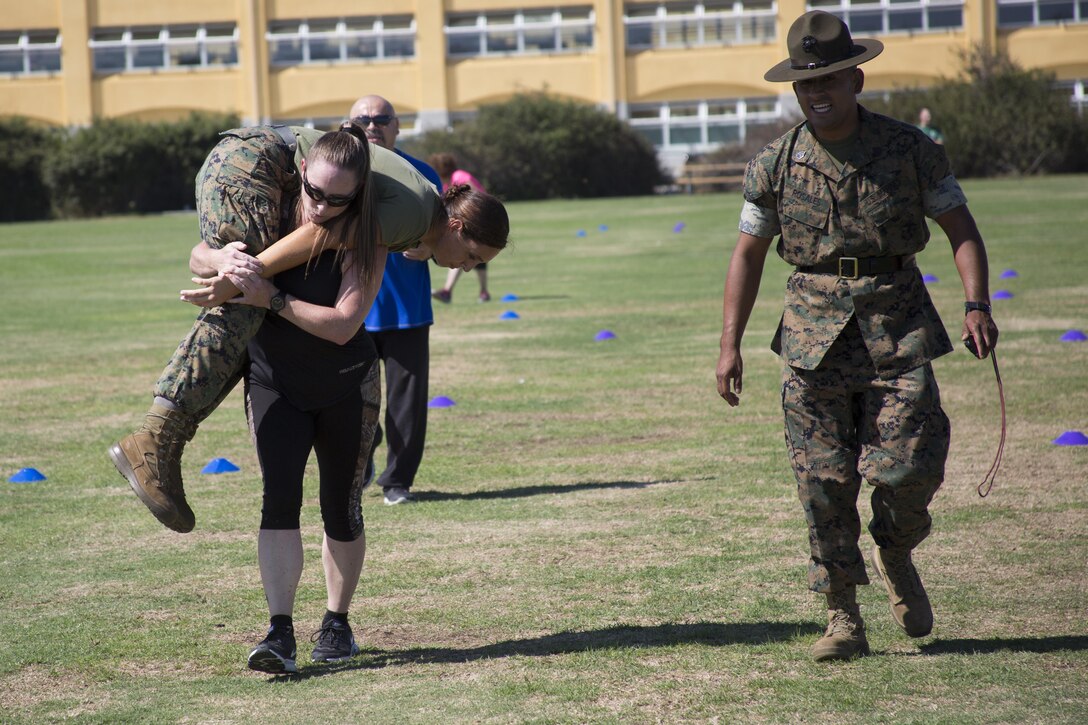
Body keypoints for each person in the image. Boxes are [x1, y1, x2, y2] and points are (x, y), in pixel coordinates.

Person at [715, 10, 998, 663]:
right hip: (812, 335)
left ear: (856, 78)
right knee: (823, 481)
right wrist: (729, 345)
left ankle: (896, 546)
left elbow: (961, 229)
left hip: (896, 325)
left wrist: (977, 303)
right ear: (795, 90)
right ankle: (843, 614)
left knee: (913, 466)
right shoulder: (775, 163)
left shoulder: (911, 150)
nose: (819, 92)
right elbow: (747, 254)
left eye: (832, 80)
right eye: (807, 83)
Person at [109, 121, 510, 535]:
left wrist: (229, 270)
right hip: (252, 164)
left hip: (259, 164)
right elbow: (320, 234)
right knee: (244, 303)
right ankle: (154, 439)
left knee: (246, 290)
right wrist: (247, 277)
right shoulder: (412, 215)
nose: (467, 267)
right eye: (473, 256)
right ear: (459, 227)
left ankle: (163, 442)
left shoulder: (420, 212)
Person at [223, 126, 380, 673]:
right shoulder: (268, 213)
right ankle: (279, 632)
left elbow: (342, 324)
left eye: (339, 199)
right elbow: (202, 251)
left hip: (347, 383)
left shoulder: (366, 235)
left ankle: (337, 624)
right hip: (274, 382)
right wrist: (221, 263)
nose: (322, 206)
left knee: (341, 507)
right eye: (315, 191)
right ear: (303, 174)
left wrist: (272, 296)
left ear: (358, 194)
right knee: (278, 500)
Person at [348, 94, 441, 506]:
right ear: (348, 126)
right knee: (350, 401)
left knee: (407, 405)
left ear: (398, 125)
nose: (373, 125)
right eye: (364, 119)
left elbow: (448, 237)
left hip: (408, 311)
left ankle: (397, 481)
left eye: (382, 118)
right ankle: (365, 451)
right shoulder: (339, 174)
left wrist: (429, 248)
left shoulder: (422, 174)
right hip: (353, 311)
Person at [428, 152, 491, 303]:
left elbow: (476, 195)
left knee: (468, 254)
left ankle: (451, 291)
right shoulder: (445, 183)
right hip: (466, 223)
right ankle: (480, 292)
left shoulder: (459, 176)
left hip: (480, 220)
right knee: (466, 255)